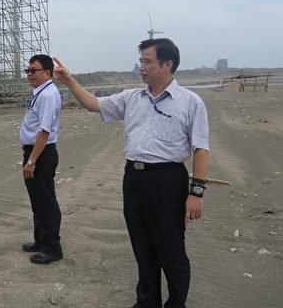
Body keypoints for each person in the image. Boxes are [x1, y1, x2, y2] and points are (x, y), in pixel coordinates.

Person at [53, 38, 209, 308]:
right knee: (142, 245)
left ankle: (176, 303)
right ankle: (147, 302)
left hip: (168, 180)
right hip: (134, 179)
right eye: (140, 61)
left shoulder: (190, 102)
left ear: (167, 64)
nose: (141, 67)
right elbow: (94, 104)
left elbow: (201, 148)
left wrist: (196, 193)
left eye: (147, 61)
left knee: (171, 248)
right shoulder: (132, 97)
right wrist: (69, 81)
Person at [19, 54, 63, 265]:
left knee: (45, 202)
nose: (29, 74)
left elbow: (44, 132)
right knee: (38, 201)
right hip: (36, 152)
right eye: (27, 70)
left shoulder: (47, 95)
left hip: (41, 154)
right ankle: (41, 241)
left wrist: (32, 161)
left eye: (33, 70)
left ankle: (52, 248)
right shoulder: (41, 92)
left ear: (47, 72)